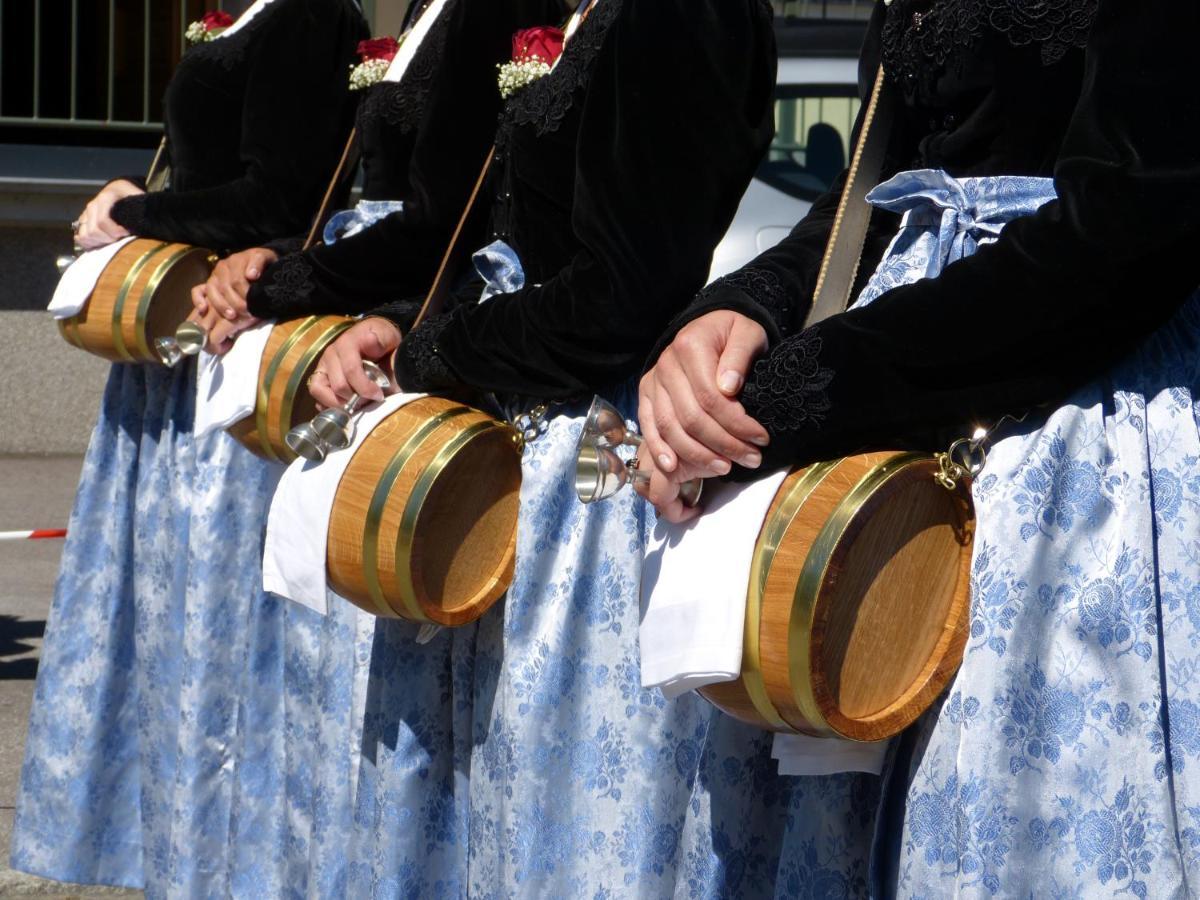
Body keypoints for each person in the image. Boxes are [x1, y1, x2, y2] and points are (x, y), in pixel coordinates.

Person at [639, 0, 1200, 894]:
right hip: (882, 414)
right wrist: (741, 309)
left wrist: (806, 389)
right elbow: (869, 193)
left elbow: (1135, 213)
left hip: (1069, 435)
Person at [305, 0, 802, 893]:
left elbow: (620, 298)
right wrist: (403, 324)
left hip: (595, 474)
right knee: (477, 802)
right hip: (522, 442)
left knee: (563, 823)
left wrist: (434, 350)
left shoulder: (681, 17)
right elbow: (503, 238)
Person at [10, 1, 366, 894]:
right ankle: (176, 856)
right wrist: (140, 197)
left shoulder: (306, 16)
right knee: (168, 635)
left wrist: (138, 211)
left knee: (223, 636)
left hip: (232, 356)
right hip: (174, 361)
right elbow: (210, 169)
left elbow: (278, 195)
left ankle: (227, 865)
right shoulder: (244, 14)